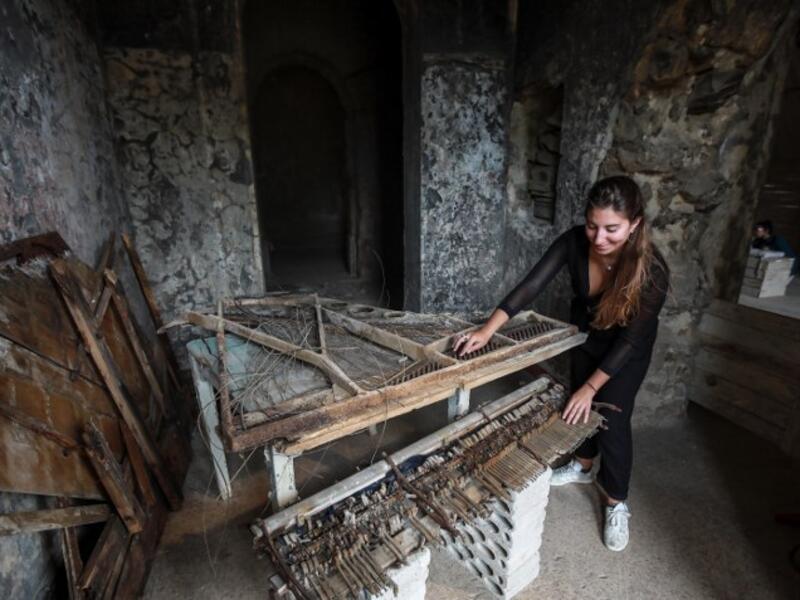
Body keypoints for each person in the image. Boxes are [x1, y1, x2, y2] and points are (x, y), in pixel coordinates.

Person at [453, 175, 669, 552]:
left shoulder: (653, 272)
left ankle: (617, 501)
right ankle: (583, 467)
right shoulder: (573, 241)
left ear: (634, 225)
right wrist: (487, 331)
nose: (599, 239)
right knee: (577, 405)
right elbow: (530, 285)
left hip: (626, 349)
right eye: (592, 226)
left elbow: (630, 341)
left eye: (612, 230)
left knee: (612, 420)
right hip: (588, 332)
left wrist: (591, 389)